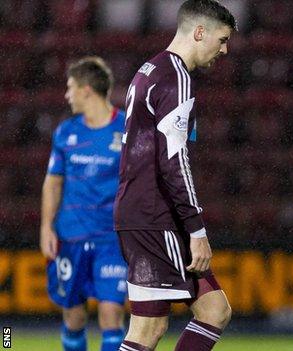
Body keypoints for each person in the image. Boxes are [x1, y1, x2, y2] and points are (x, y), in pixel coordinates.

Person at [113, 1, 236, 350]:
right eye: (222, 39)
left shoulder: (150, 69)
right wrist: (196, 229)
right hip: (155, 216)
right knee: (146, 331)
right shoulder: (176, 77)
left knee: (214, 310)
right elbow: (174, 159)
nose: (224, 50)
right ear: (200, 33)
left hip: (144, 210)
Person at [40, 56, 127, 351]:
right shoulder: (66, 132)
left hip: (111, 239)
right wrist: (46, 227)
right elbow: (53, 182)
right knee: (74, 315)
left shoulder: (127, 129)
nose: (67, 95)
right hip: (71, 237)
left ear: (87, 89)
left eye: (70, 88)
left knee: (111, 313)